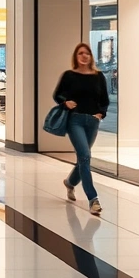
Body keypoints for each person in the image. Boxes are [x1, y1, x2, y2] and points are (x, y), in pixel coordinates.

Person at [54, 42, 110, 216]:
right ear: (76, 57)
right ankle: (93, 199)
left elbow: (105, 99)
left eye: (87, 53)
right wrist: (66, 102)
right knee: (85, 156)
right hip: (75, 120)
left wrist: (101, 113)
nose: (84, 56)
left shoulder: (99, 76)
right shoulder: (69, 76)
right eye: (80, 53)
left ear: (91, 56)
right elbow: (57, 94)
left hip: (93, 121)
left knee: (82, 159)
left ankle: (70, 183)